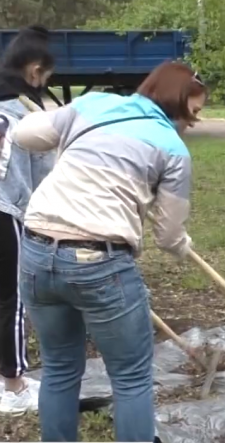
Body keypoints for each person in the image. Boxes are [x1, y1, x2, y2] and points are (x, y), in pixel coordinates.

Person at [10, 61, 205, 442]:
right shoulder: (172, 149)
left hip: (36, 252)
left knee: (60, 369)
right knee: (131, 377)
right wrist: (183, 245)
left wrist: (65, 128)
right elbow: (169, 236)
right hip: (99, 261)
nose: (194, 122)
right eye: (193, 112)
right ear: (176, 101)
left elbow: (24, 134)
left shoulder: (94, 106)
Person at [0, 25, 57, 414]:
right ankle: (14, 386)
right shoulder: (26, 112)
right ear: (35, 70)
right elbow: (45, 178)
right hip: (7, 211)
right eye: (49, 74)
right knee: (12, 298)